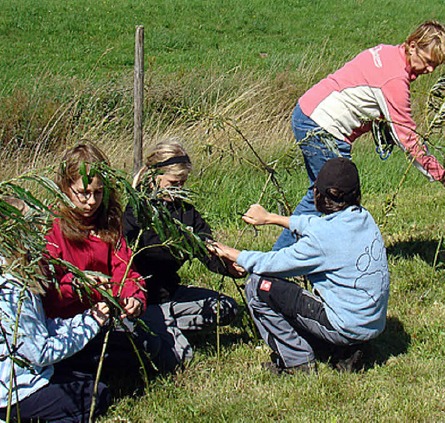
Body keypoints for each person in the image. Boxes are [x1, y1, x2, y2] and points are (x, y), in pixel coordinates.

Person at [273, 19, 445, 251]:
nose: (430, 70)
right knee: (333, 199)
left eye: (435, 66)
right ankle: (277, 264)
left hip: (306, 113)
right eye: (429, 62)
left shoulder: (385, 52)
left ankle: (296, 260)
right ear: (412, 45)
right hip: (323, 128)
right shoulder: (395, 80)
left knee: (322, 196)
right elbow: (408, 139)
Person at [215, 158, 390, 374]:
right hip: (371, 322)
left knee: (258, 286)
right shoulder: (363, 218)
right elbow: (314, 224)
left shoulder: (322, 240)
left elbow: (271, 264)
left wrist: (231, 253)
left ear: (318, 194)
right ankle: (347, 350)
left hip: (347, 326)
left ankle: (297, 362)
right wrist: (270, 218)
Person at [123, 139, 240, 371]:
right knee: (180, 359)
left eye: (183, 183)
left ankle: (167, 326)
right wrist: (181, 241)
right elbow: (137, 257)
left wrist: (228, 266)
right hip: (145, 299)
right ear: (153, 177)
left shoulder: (185, 211)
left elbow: (205, 246)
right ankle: (146, 329)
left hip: (171, 294)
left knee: (226, 308)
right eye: (173, 183)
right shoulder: (135, 213)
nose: (178, 190)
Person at [0, 197, 111, 422]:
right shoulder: (12, 290)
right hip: (14, 393)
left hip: (28, 376)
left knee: (85, 376)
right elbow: (41, 352)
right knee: (98, 395)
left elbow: (40, 328)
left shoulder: (18, 275)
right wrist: (91, 325)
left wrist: (86, 318)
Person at [42, 143, 148, 375]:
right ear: (66, 187)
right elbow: (47, 293)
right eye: (83, 193)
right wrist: (77, 285)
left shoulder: (108, 221)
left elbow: (126, 270)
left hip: (104, 316)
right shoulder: (52, 227)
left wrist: (134, 297)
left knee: (149, 349)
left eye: (98, 192)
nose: (91, 201)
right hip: (63, 326)